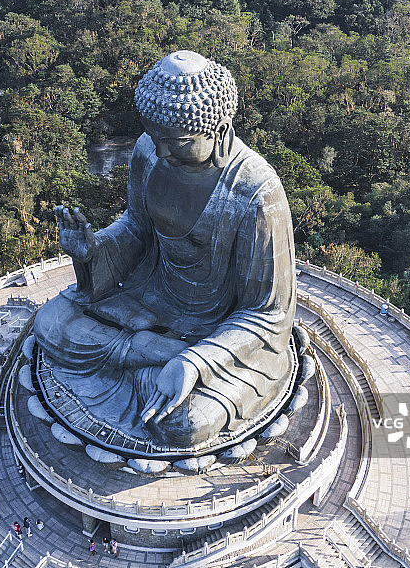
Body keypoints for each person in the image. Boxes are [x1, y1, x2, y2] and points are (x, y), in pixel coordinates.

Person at [35, 50, 295, 449]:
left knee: (184, 424)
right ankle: (147, 352)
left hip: (220, 330)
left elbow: (268, 315)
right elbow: (136, 229)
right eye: (155, 139)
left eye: (177, 142)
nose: (162, 152)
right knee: (50, 325)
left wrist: (195, 361)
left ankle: (155, 358)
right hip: (151, 299)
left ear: (220, 131)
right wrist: (92, 251)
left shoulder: (256, 194)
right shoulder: (148, 152)